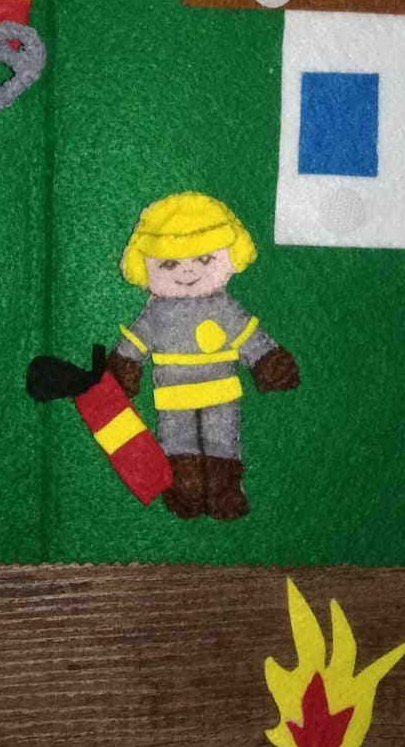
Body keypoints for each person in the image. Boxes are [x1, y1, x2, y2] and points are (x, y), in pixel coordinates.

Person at [107, 192, 300, 520]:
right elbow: (136, 343)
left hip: (220, 395)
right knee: (178, 441)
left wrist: (268, 361)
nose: (187, 271)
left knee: (221, 442)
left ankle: (224, 491)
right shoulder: (158, 313)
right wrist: (122, 368)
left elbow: (248, 336)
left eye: (204, 259)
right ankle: (184, 489)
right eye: (170, 264)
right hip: (175, 398)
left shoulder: (223, 307)